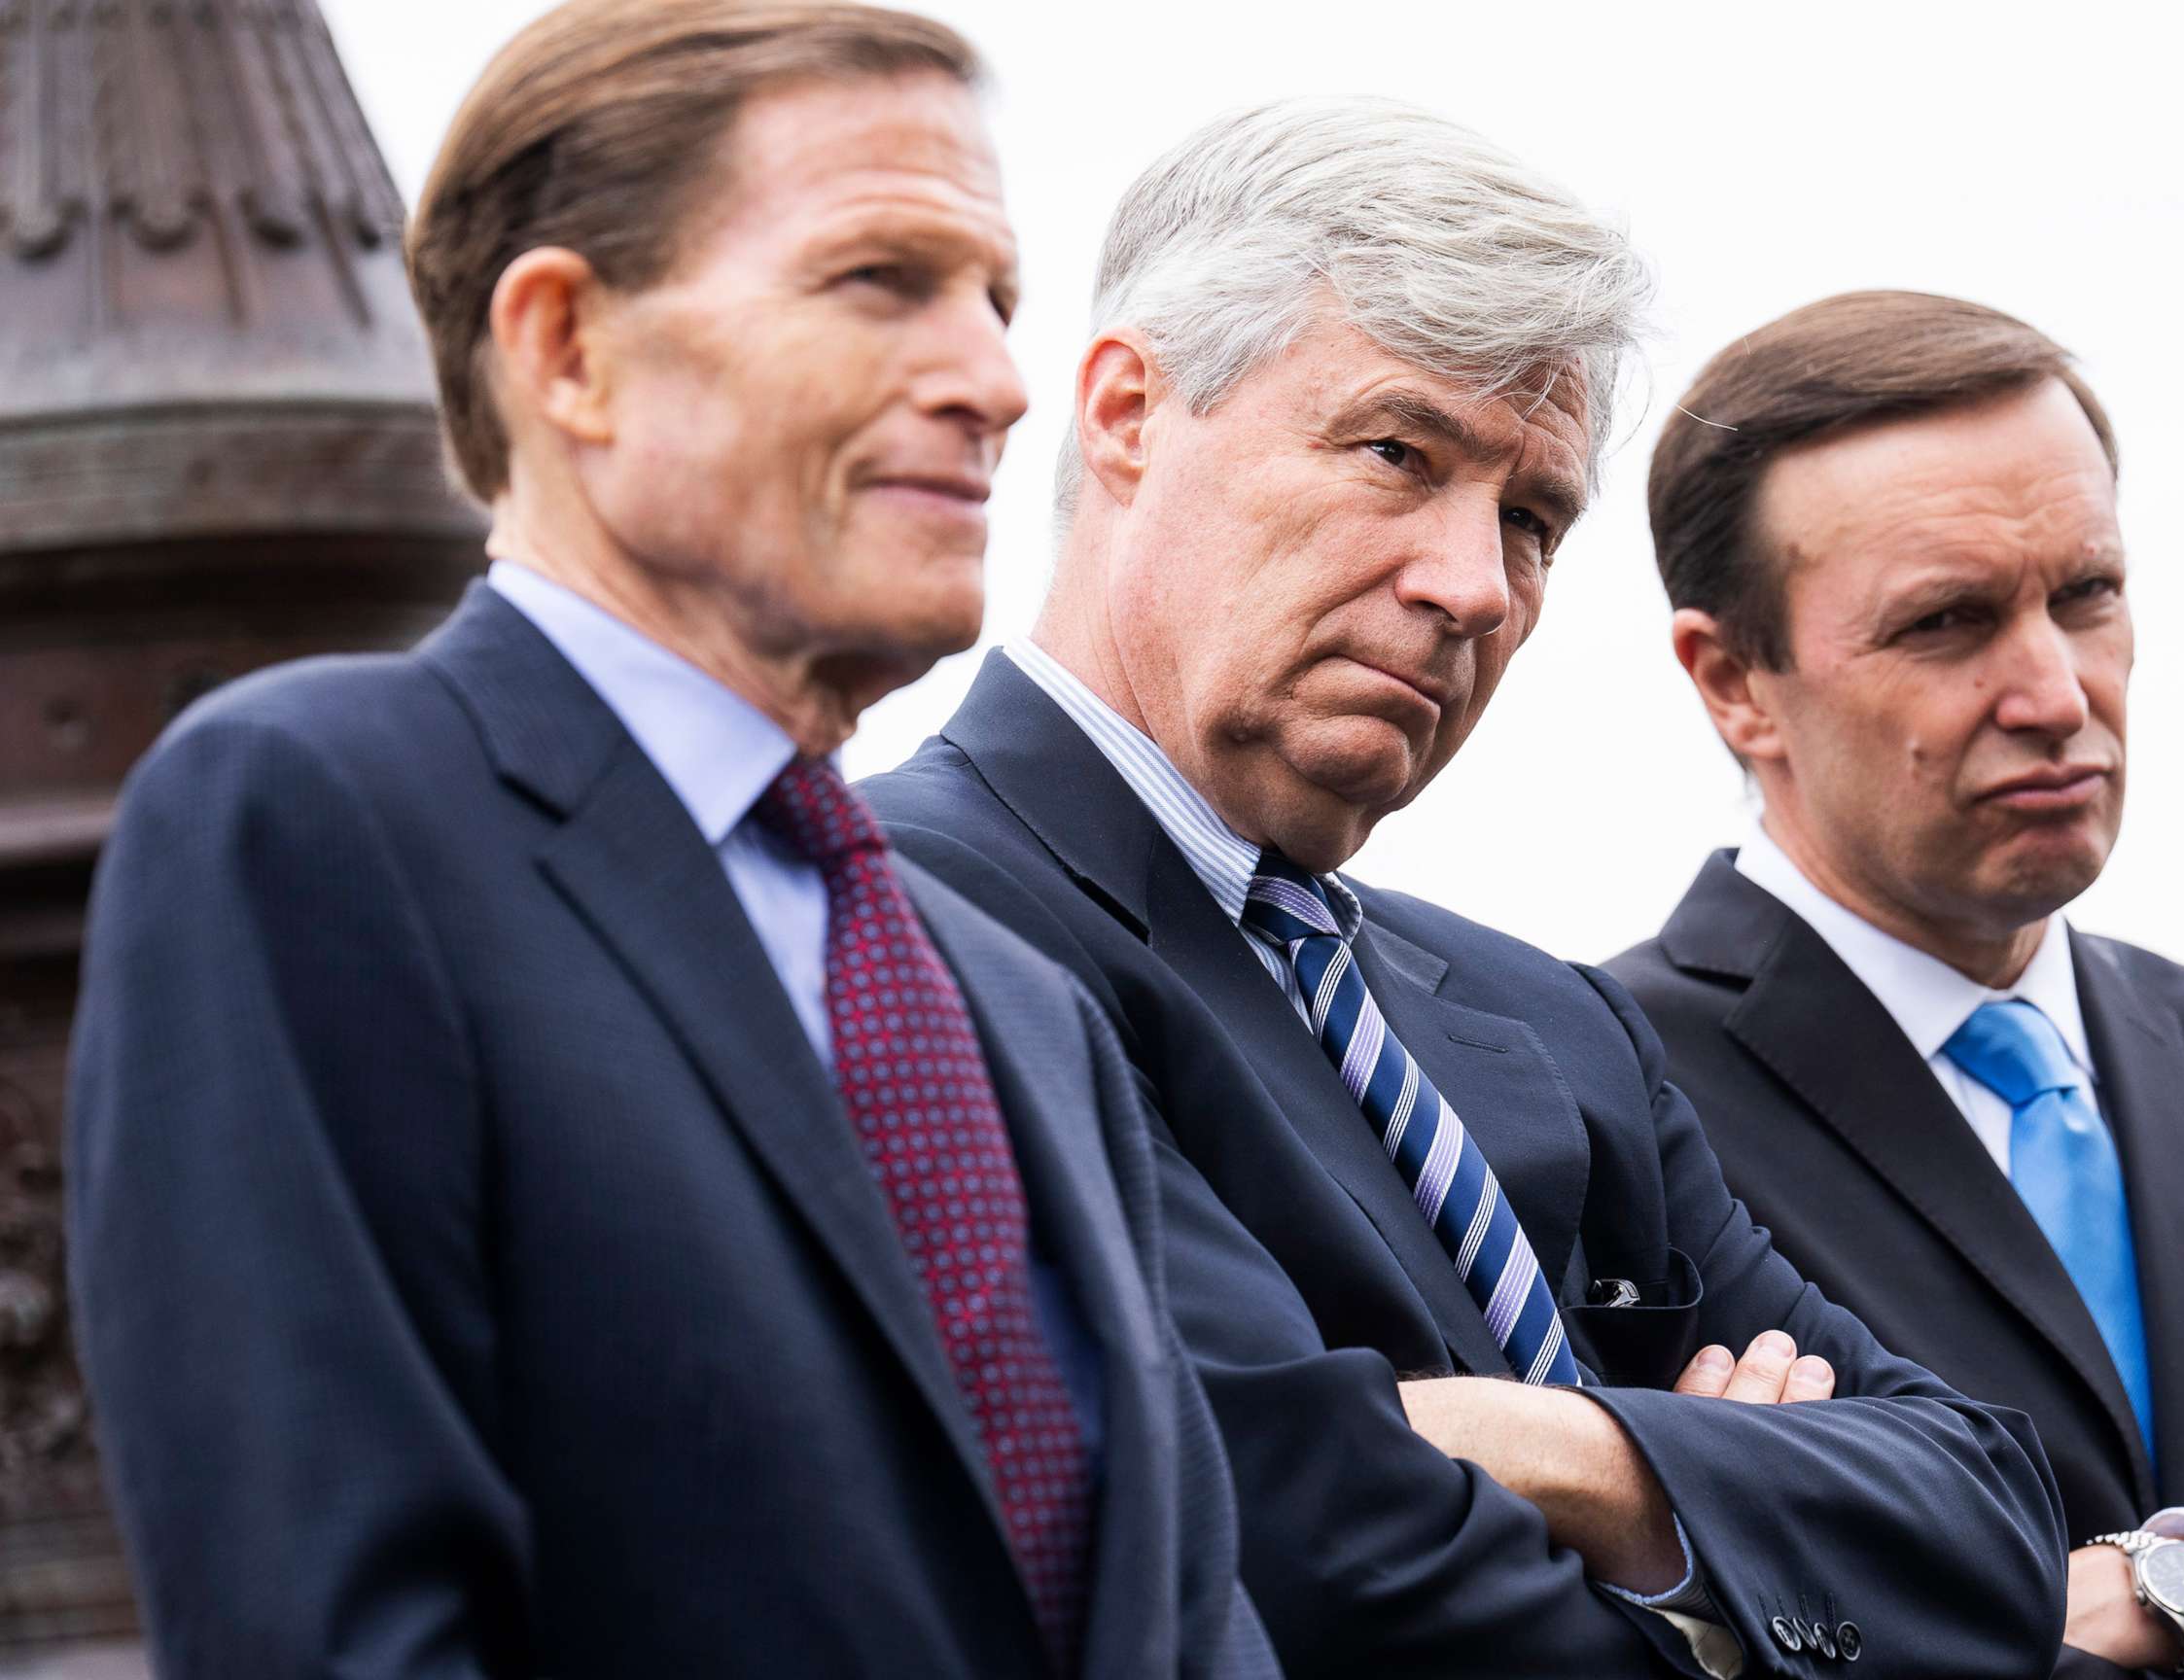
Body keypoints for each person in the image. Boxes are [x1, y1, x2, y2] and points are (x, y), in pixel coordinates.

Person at [66, 5, 1276, 1676]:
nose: (999, 383)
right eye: (881, 280)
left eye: (996, 300)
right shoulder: (318, 822)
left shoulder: (1018, 1009)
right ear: (566, 346)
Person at [863, 102, 2067, 1680]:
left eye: (1530, 517)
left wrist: (1571, 1451)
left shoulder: (1554, 1025)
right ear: (1129, 413)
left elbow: (1993, 1514)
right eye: (1395, 454)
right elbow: (1292, 1542)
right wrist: (1730, 1544)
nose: (1473, 586)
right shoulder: (899, 928)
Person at [1605, 289, 2184, 1679]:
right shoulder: (1595, 1109)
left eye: (2085, 595)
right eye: (1949, 623)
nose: (2052, 690)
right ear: (1733, 680)